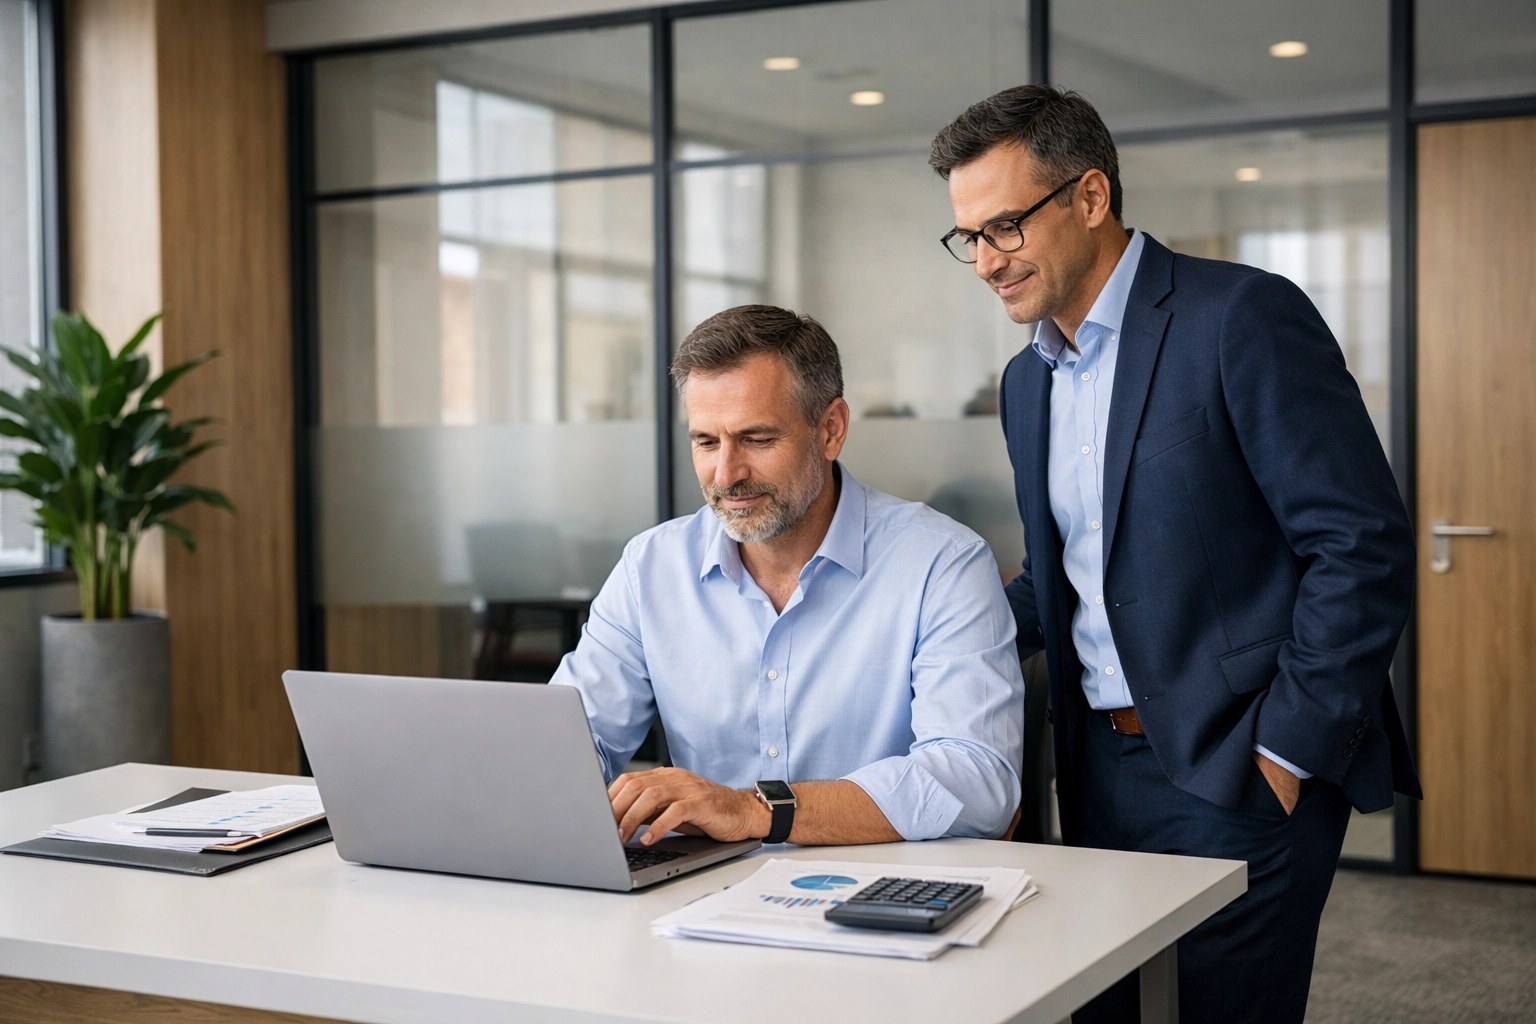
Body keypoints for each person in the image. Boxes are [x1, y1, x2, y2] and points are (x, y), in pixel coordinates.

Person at [929, 85, 1418, 1023]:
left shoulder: (1239, 316)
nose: (986, 261)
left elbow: (1360, 545)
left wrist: (1285, 751)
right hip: (1096, 775)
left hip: (1239, 766)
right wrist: (921, 631)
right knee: (1103, 1008)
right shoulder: (1027, 381)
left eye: (1005, 227)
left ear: (1090, 196)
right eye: (968, 237)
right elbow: (1062, 580)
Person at [550, 305, 1024, 847]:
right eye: (706, 442)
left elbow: (977, 780)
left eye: (757, 439)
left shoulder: (942, 563)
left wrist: (757, 811)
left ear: (830, 430)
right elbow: (569, 743)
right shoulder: (651, 567)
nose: (726, 474)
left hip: (878, 885)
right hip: (703, 887)